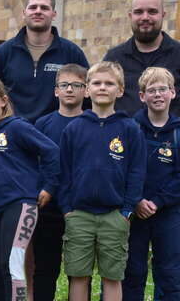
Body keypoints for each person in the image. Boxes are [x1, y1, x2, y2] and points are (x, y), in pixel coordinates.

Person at [59, 61, 146, 301]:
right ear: (87, 90)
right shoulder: (74, 128)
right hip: (79, 215)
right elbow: (64, 172)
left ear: (119, 90)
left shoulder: (130, 129)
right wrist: (67, 209)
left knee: (112, 277)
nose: (102, 88)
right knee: (78, 276)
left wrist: (127, 210)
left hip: (114, 215)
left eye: (109, 83)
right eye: (97, 83)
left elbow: (137, 172)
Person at [0, 75, 59, 301]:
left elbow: (51, 152)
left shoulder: (17, 127)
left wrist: (49, 186)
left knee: (12, 265)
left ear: (3, 101)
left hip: (20, 205)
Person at [0, 0, 89, 123]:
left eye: (44, 8)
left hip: (56, 134)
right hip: (13, 134)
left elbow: (88, 98)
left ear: (54, 14)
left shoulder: (72, 53)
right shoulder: (3, 53)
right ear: (24, 13)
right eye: (33, 7)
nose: (38, 11)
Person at [123, 67, 180, 300]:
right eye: (151, 90)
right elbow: (122, 168)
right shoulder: (130, 128)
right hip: (135, 213)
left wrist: (157, 201)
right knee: (132, 271)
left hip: (169, 213)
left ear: (173, 93)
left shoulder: (177, 132)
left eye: (162, 89)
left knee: (170, 273)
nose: (158, 94)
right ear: (142, 96)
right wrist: (136, 200)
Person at [33, 63, 87, 300]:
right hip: (49, 207)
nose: (69, 90)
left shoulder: (92, 122)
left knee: (79, 272)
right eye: (64, 85)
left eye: (76, 85)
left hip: (82, 208)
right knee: (45, 269)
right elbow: (36, 163)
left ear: (86, 90)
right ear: (55, 91)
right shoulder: (43, 124)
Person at [104, 0, 180, 116]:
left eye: (152, 11)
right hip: (125, 134)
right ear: (130, 16)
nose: (145, 17)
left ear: (163, 15)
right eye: (138, 12)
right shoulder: (114, 58)